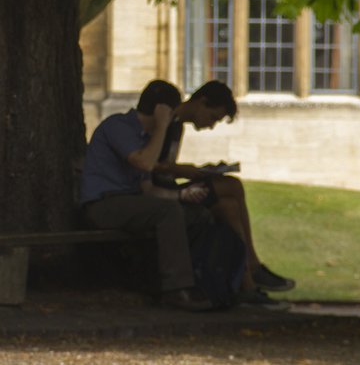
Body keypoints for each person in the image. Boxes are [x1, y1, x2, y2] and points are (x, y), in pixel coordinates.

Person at [144, 79, 296, 306]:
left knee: (229, 207)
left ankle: (247, 286)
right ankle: (253, 266)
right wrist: (188, 171)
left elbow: (166, 168)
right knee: (233, 186)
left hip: (169, 187)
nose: (211, 125)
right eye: (213, 117)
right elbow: (151, 165)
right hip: (157, 194)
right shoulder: (166, 122)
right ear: (201, 102)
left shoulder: (177, 126)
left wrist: (198, 171)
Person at [79, 86, 217, 312]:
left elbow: (148, 189)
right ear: (162, 111)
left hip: (131, 203)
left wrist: (181, 195)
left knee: (196, 214)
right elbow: (145, 163)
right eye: (171, 113)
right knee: (168, 212)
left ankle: (182, 281)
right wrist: (162, 126)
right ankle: (176, 289)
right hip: (103, 204)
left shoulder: (146, 140)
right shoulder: (119, 126)